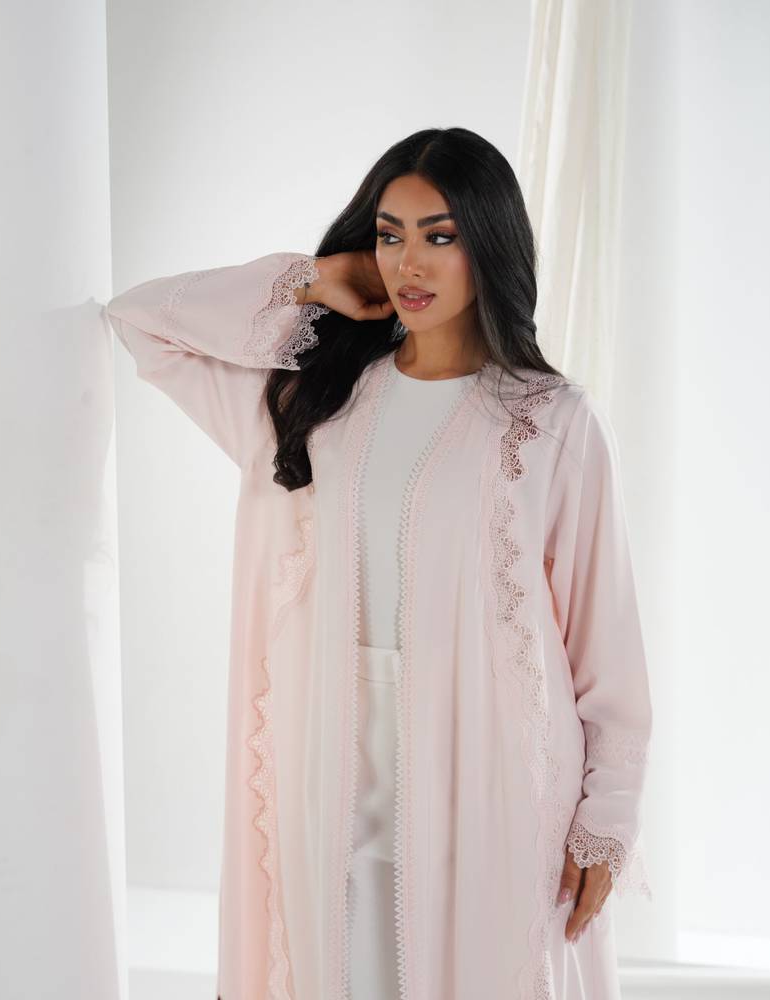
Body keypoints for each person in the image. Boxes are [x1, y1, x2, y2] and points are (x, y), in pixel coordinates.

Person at [105, 126, 653, 1000]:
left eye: (441, 235)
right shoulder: (310, 402)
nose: (409, 263)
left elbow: (606, 649)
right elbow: (140, 321)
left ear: (490, 243)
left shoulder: (552, 421)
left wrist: (606, 821)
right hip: (327, 767)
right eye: (390, 235)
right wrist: (313, 278)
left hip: (491, 776)